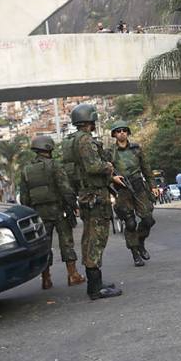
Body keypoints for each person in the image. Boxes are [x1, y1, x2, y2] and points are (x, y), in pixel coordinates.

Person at [67, 104, 122, 300]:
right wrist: (108, 166)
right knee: (96, 239)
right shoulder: (85, 140)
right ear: (90, 120)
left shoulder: (73, 140)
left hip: (88, 195)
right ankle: (95, 288)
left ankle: (95, 282)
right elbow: (93, 166)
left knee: (90, 238)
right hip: (95, 196)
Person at [19, 135, 85, 288]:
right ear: (49, 148)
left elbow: (24, 197)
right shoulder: (55, 165)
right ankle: (73, 275)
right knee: (66, 242)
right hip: (58, 210)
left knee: (44, 245)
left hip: (39, 213)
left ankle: (46, 279)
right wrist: (73, 205)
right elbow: (65, 189)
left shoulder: (26, 170)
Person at [108, 121, 155, 267]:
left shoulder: (136, 149)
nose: (121, 133)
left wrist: (152, 186)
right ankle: (135, 253)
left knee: (148, 219)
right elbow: (104, 171)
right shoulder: (109, 152)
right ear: (114, 134)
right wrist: (112, 178)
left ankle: (140, 241)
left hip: (138, 186)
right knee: (130, 223)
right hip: (122, 189)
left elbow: (146, 168)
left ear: (128, 132)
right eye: (118, 131)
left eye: (124, 130)